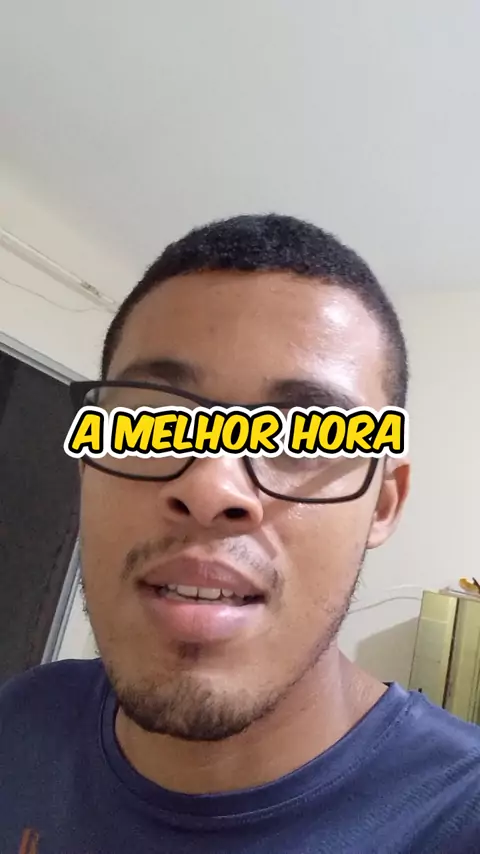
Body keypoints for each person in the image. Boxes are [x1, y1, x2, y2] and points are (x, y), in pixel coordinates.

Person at [1, 214, 479, 854]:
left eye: (306, 433)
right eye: (153, 421)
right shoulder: (20, 722)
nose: (210, 487)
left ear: (383, 505)